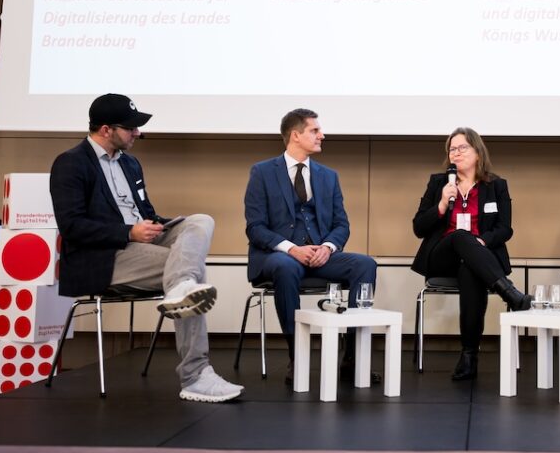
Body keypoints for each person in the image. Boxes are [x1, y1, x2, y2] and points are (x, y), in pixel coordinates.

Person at [49, 93, 242, 403]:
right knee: (191, 278)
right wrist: (128, 232)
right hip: (104, 256)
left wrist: (155, 226)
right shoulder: (70, 163)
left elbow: (145, 212)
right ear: (106, 129)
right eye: (131, 128)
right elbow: (71, 226)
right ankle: (195, 376)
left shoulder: (131, 163)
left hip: (140, 239)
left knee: (200, 221)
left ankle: (181, 286)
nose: (138, 133)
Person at [244, 108, 378, 384]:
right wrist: (292, 249)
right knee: (284, 266)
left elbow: (342, 224)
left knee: (365, 264)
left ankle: (351, 359)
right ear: (295, 135)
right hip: (279, 257)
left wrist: (327, 247)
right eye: (315, 131)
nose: (322, 135)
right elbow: (255, 228)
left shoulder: (329, 176)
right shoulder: (262, 172)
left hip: (320, 255)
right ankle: (298, 355)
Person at [412, 127, 532, 380]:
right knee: (459, 236)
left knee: (470, 269)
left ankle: (469, 357)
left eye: (462, 147)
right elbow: (419, 227)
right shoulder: (438, 183)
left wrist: (480, 241)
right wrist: (443, 204)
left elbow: (504, 229)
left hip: (479, 259)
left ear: (478, 152)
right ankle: (509, 293)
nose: (456, 153)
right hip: (442, 256)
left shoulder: (496, 185)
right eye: (452, 149)